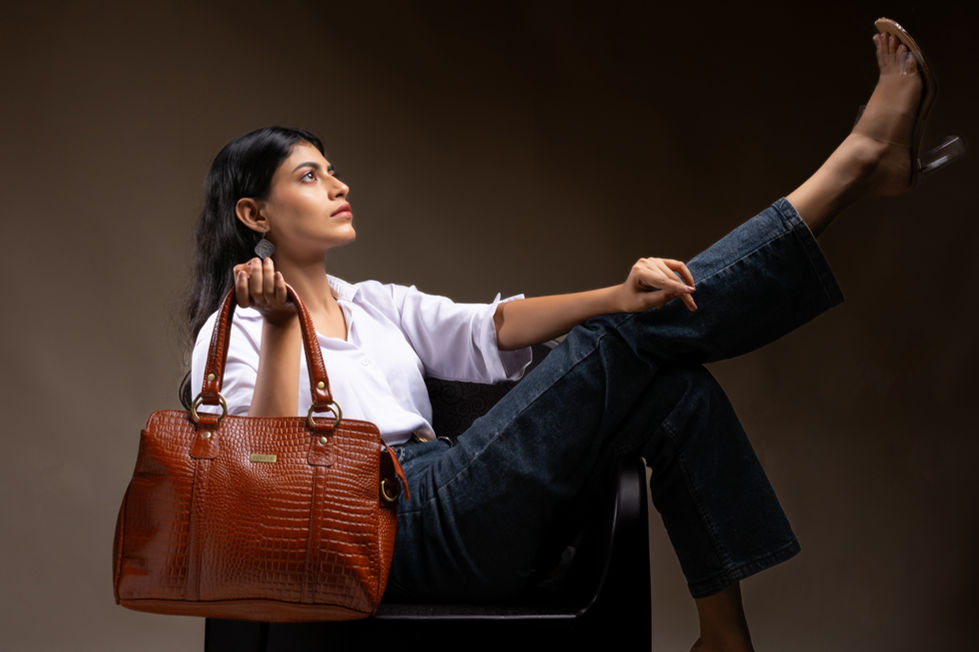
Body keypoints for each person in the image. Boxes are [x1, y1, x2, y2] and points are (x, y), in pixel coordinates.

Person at [183, 20, 953, 652]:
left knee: (669, 386)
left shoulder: (372, 302)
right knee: (621, 342)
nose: (339, 185)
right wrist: (282, 328)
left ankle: (724, 638)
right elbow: (269, 475)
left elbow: (491, 328)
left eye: (333, 170)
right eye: (310, 177)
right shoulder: (234, 328)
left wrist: (617, 293)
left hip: (458, 495)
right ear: (255, 215)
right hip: (387, 531)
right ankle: (855, 162)